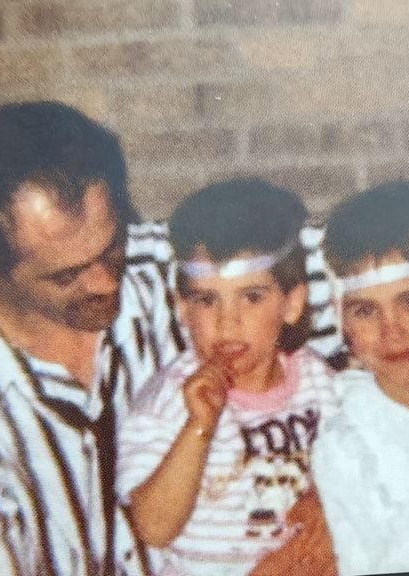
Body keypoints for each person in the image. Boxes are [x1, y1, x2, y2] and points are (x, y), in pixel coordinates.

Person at [0, 102, 184, 575]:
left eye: (112, 247)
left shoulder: (175, 269)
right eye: (67, 274)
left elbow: (346, 255)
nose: (107, 284)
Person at [115, 179, 337, 576]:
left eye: (251, 297)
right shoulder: (168, 399)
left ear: (292, 304)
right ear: (182, 307)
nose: (226, 321)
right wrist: (199, 426)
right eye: (206, 299)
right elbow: (153, 528)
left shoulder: (320, 383)